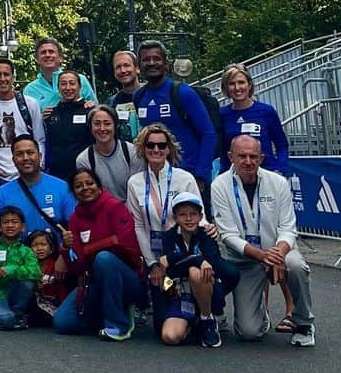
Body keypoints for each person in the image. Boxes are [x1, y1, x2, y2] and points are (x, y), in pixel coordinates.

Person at [212, 135, 316, 347]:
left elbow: (288, 227)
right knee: (249, 332)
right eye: (242, 156)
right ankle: (261, 315)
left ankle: (304, 322)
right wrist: (261, 256)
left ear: (261, 158)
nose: (248, 161)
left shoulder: (277, 182)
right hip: (244, 259)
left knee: (296, 265)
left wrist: (278, 252)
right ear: (231, 157)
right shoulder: (219, 186)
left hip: (278, 251)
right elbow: (228, 235)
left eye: (253, 156)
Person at [125, 123, 200, 335]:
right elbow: (138, 225)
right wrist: (153, 264)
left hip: (182, 256)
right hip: (156, 259)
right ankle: (180, 313)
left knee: (190, 286)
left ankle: (204, 312)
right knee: (160, 324)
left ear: (169, 149)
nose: (156, 150)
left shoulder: (184, 178)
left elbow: (198, 219)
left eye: (161, 145)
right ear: (142, 149)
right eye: (150, 145)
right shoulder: (135, 183)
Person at [54, 167, 143, 340]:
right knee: (63, 322)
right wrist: (65, 248)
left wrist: (89, 250)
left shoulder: (115, 207)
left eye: (90, 183)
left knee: (104, 258)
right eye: (78, 186)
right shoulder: (75, 218)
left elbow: (128, 248)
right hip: (93, 280)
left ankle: (119, 325)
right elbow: (77, 266)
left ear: (99, 186)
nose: (85, 188)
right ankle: (104, 315)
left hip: (127, 278)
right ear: (73, 192)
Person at [131, 40, 216, 200]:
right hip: (158, 179)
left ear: (166, 63)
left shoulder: (182, 92)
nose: (151, 63)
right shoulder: (139, 96)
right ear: (139, 65)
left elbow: (208, 134)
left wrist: (201, 175)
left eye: (156, 59)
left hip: (189, 178)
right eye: (145, 59)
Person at [160, 190, 239, 348]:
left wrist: (182, 261)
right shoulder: (168, 237)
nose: (188, 219)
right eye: (182, 215)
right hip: (182, 294)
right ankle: (192, 322)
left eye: (193, 214)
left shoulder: (207, 235)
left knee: (195, 272)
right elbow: (170, 270)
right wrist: (197, 259)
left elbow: (212, 264)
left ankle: (207, 318)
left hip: (207, 290)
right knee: (170, 337)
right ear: (175, 218)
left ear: (200, 217)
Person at [0, 135, 75, 246]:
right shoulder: (2, 193)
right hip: (18, 259)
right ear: (13, 160)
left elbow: (73, 226)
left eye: (30, 152)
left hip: (56, 256)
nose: (25, 158)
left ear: (40, 156)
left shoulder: (62, 187)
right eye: (19, 154)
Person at [0, 59, 45, 186]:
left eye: (6, 74)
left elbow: (39, 138)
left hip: (26, 174)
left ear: (13, 77)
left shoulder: (29, 104)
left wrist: (39, 166)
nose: (2, 78)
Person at [0, 205, 41, 330]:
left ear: (23, 227)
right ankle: (7, 317)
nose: (10, 225)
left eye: (14, 222)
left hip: (14, 294)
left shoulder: (26, 251)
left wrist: (12, 270)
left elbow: (36, 272)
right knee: (6, 320)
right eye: (6, 222)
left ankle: (16, 314)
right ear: (0, 227)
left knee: (28, 282)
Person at [219, 65, 288, 174]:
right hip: (233, 178)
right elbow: (222, 150)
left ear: (249, 85)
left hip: (266, 174)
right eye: (232, 84)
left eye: (241, 82)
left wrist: (280, 169)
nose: (237, 88)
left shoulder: (266, 111)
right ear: (226, 88)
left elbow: (282, 145)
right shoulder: (221, 114)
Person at [75, 105, 142, 202]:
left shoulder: (133, 152)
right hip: (101, 211)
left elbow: (138, 191)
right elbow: (89, 196)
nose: (102, 129)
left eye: (107, 124)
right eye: (97, 124)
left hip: (131, 210)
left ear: (115, 126)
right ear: (90, 127)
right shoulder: (84, 160)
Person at [23, 37, 97, 114]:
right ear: (37, 59)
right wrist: (41, 118)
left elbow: (96, 111)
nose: (47, 55)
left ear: (60, 57)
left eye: (51, 52)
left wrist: (92, 107)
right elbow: (28, 120)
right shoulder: (30, 90)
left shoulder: (80, 80)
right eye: (43, 52)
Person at [43, 70, 93, 183]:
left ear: (80, 86)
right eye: (63, 83)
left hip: (84, 172)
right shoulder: (50, 114)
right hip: (57, 174)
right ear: (58, 87)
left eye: (72, 83)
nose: (68, 87)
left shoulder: (90, 111)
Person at [26, 229, 70, 324]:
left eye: (43, 244)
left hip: (54, 304)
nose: (39, 248)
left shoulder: (57, 267)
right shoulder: (28, 267)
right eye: (35, 245)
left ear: (51, 249)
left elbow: (62, 290)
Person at [107, 50, 141, 139]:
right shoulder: (111, 103)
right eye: (118, 67)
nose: (123, 70)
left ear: (137, 68)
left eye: (126, 65)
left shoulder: (151, 95)